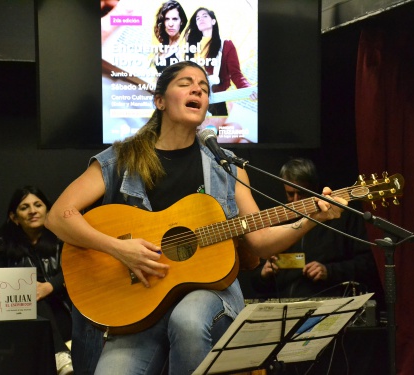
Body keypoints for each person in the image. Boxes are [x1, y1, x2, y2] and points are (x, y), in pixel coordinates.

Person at [44, 61, 345, 375]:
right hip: (141, 304)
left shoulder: (227, 166)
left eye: (204, 86)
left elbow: (260, 242)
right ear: (159, 100)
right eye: (186, 83)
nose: (198, 89)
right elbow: (59, 216)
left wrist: (310, 216)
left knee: (187, 319)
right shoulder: (122, 158)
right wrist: (118, 248)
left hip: (212, 297)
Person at [250, 158, 384, 305]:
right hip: (283, 307)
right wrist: (263, 274)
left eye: (301, 193)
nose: (295, 200)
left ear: (313, 189)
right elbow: (253, 278)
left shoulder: (341, 218)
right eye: (290, 194)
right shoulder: (277, 219)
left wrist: (329, 271)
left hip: (329, 305)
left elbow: (368, 265)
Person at [0, 186, 73, 375]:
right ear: (14, 217)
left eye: (38, 205)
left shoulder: (64, 240)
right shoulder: (2, 247)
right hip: (21, 316)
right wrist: (29, 291)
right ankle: (61, 354)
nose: (33, 211)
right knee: (31, 295)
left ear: (48, 210)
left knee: (37, 297)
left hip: (63, 309)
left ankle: (61, 356)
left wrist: (49, 286)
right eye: (24, 207)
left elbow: (76, 271)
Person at [183, 7, 257, 116]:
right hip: (191, 100)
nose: (200, 19)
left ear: (213, 21)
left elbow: (236, 74)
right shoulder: (190, 47)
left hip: (216, 102)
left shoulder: (226, 45)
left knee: (217, 132)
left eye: (204, 16)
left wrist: (248, 90)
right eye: (197, 18)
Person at [153, 1, 188, 73]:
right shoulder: (161, 46)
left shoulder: (184, 47)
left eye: (175, 19)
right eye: (167, 19)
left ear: (181, 21)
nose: (170, 24)